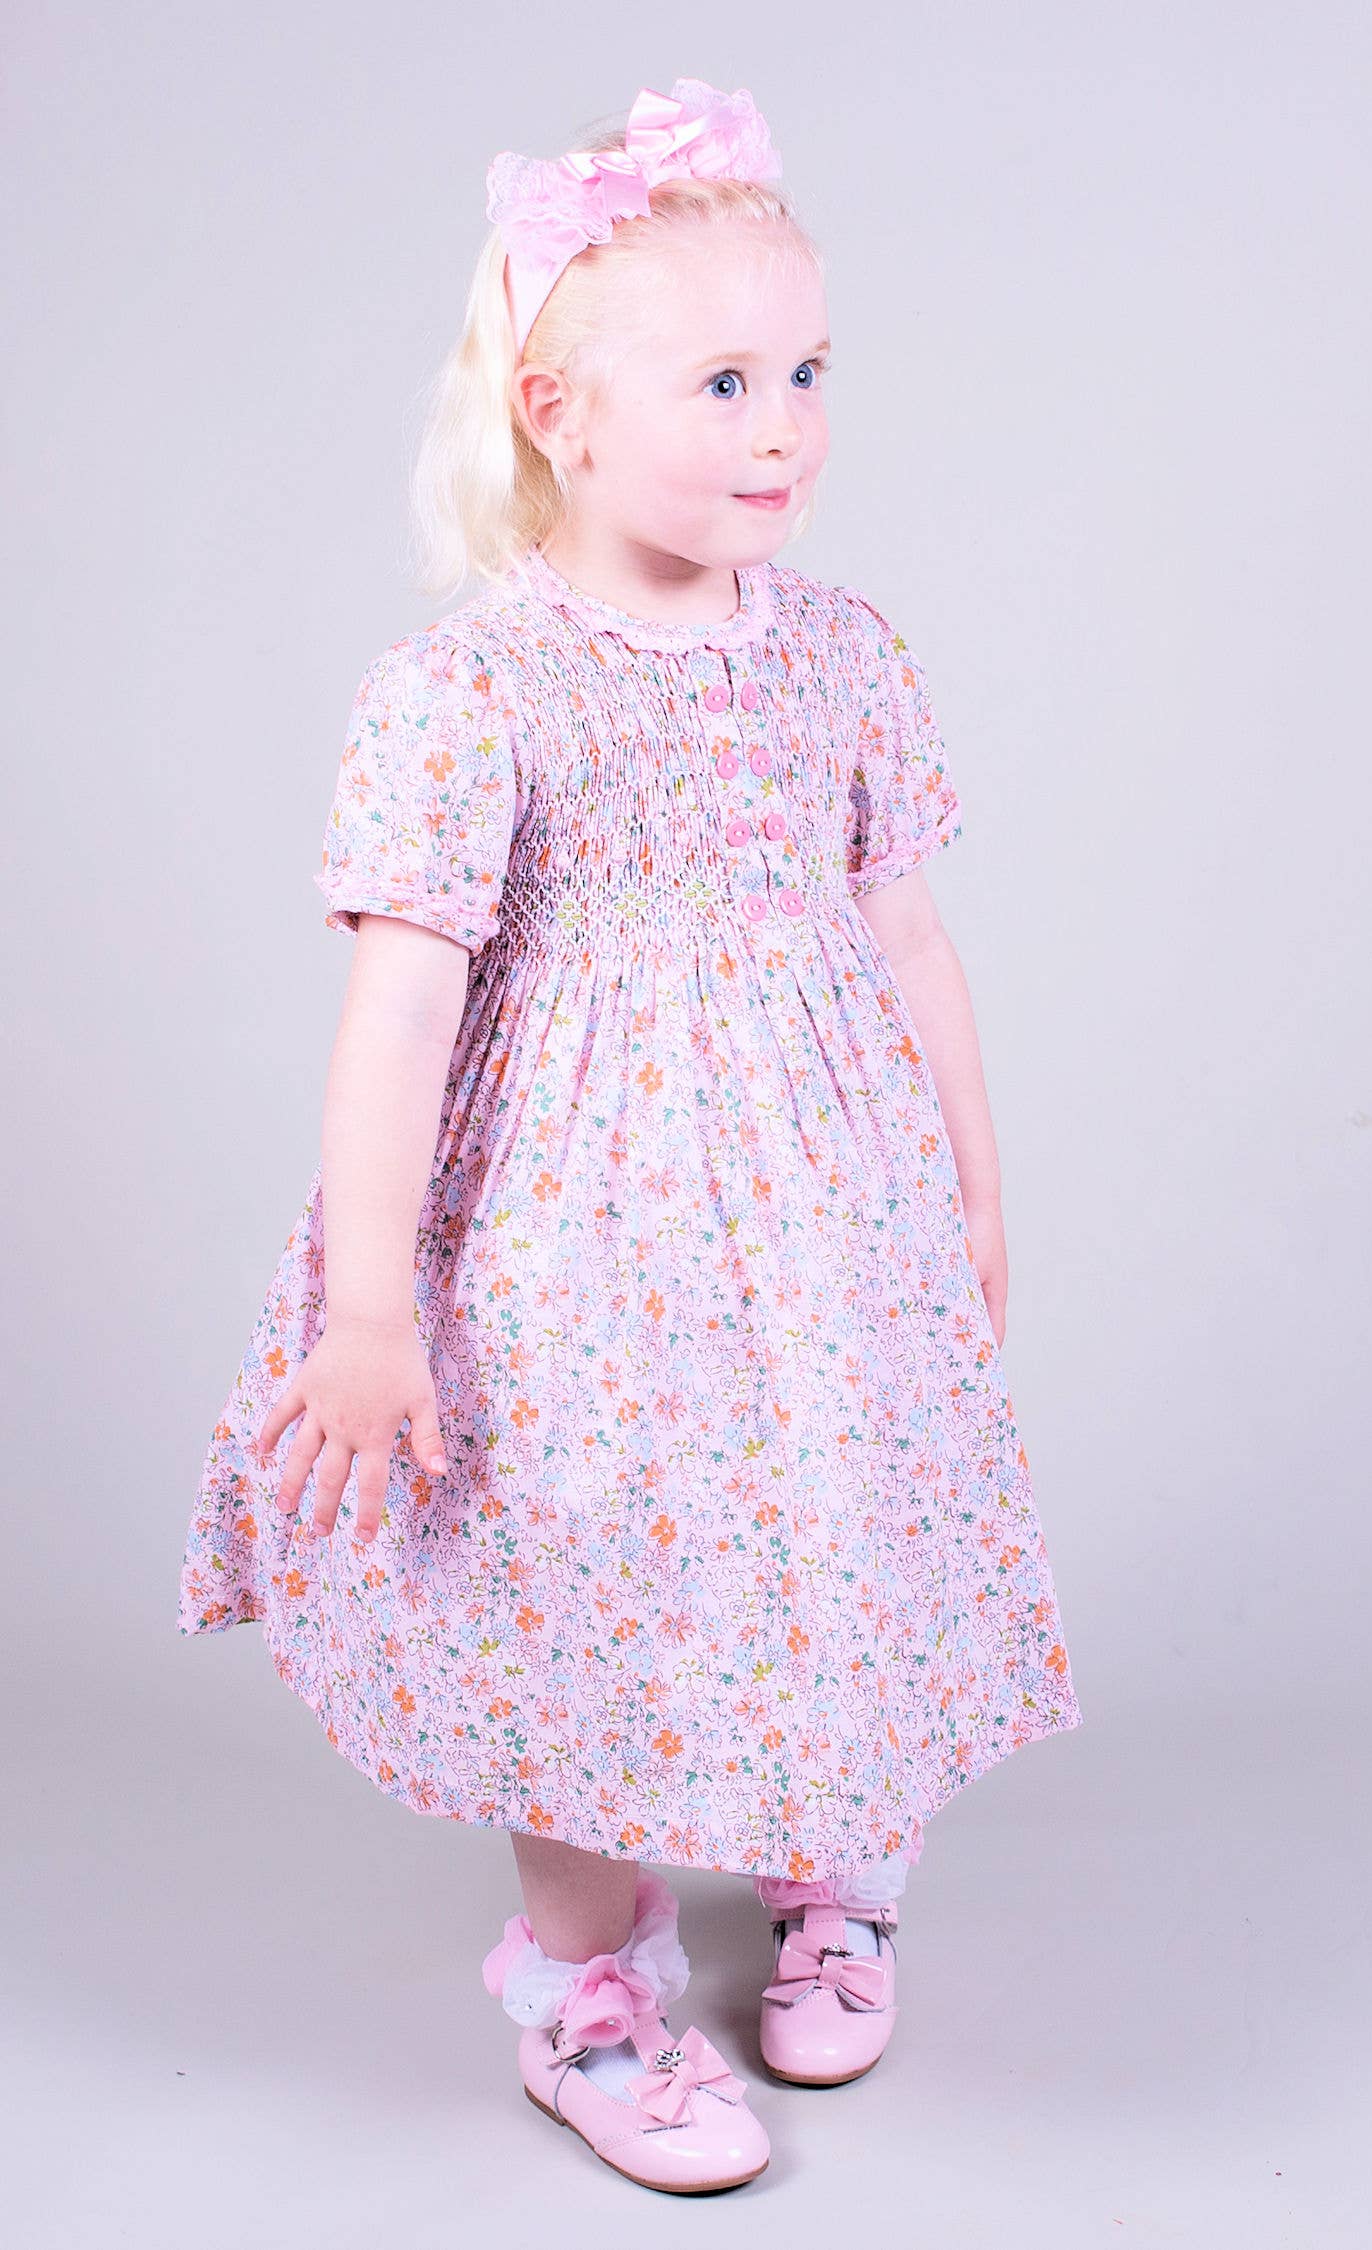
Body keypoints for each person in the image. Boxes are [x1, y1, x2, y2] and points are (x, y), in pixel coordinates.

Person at [177, 74, 1083, 2193]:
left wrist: (972, 1176)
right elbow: (401, 1007)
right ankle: (589, 1991)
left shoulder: (841, 654)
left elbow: (909, 932)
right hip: (573, 1237)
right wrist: (373, 1306)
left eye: (808, 372)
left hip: (826, 1208)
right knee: (573, 1567)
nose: (785, 429)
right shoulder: (474, 689)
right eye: (724, 383)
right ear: (558, 413)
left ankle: (833, 1857)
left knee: (838, 1506)